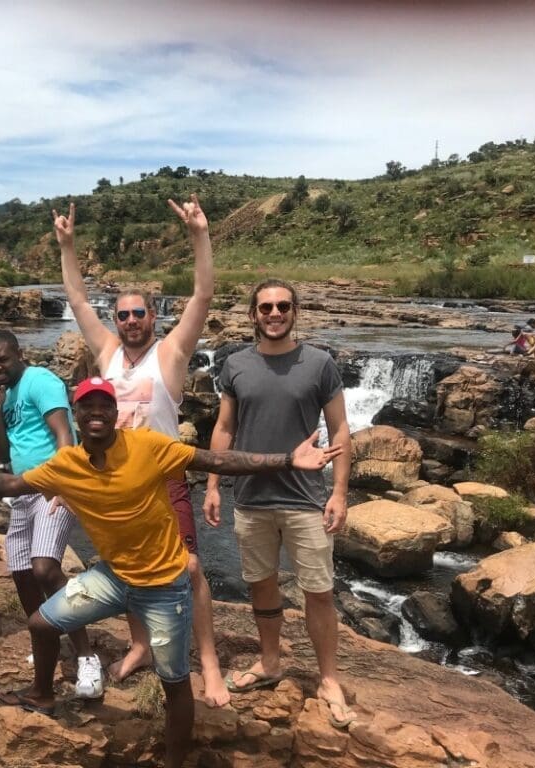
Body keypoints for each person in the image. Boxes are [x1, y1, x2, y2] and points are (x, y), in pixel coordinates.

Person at [0, 377, 342, 768]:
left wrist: (286, 460)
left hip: (166, 587)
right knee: (40, 622)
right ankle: (43, 695)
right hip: (113, 578)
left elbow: (214, 461)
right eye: (86, 406)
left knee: (173, 684)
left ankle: (173, 761)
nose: (95, 413)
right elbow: (11, 485)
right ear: (75, 415)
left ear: (115, 414)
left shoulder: (147, 446)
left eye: (103, 406)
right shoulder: (66, 464)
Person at [54, 195, 231, 707]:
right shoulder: (107, 352)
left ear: (153, 316)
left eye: (138, 313)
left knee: (191, 568)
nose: (130, 320)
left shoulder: (170, 354)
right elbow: (78, 302)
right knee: (125, 564)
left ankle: (210, 663)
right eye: (123, 314)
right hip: (109, 477)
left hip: (162, 477)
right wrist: (68, 247)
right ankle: (141, 644)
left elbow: (202, 294)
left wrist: (200, 235)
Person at [204, 278, 356, 729]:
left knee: (319, 590)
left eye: (283, 306)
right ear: (253, 314)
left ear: (295, 311)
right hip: (250, 498)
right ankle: (270, 661)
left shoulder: (320, 363)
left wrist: (340, 492)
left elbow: (341, 429)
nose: (274, 313)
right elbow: (224, 429)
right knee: (261, 585)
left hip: (305, 499)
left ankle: (328, 678)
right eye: (266, 307)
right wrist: (213, 485)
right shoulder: (235, 365)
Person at [0, 329, 103, 698]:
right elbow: (2, 452)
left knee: (45, 568)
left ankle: (85, 655)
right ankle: (47, 640)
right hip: (22, 492)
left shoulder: (40, 380)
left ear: (19, 354)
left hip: (54, 488)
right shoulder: (8, 394)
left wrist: (65, 484)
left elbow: (64, 434)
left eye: (3, 359)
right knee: (22, 574)